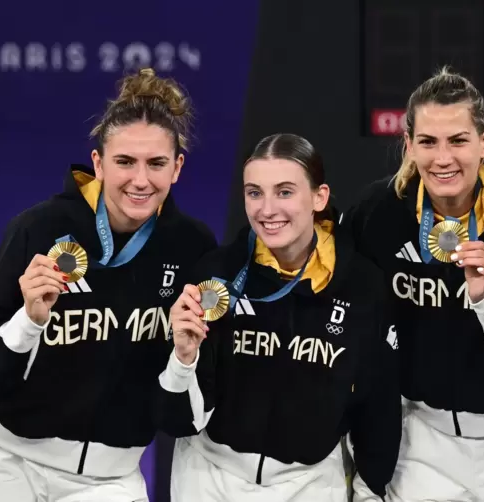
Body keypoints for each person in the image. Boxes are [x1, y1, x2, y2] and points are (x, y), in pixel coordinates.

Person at [0, 68, 217, 501]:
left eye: (156, 163)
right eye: (124, 162)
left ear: (177, 167)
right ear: (99, 162)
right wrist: (27, 321)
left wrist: (184, 356)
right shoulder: (39, 228)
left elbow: (184, 416)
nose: (140, 180)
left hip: (109, 479)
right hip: (2, 462)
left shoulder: (192, 246)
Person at [343, 67, 484, 501]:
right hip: (421, 442)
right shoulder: (377, 214)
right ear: (408, 145)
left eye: (458, 140)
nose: (443, 159)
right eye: (427, 142)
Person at [156, 133, 401, 502]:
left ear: (319, 197)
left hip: (310, 485)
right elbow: (177, 420)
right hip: (209, 480)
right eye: (254, 193)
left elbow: (377, 406)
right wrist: (183, 358)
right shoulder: (217, 273)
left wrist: (370, 491)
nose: (267, 209)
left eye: (284, 192)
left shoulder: (362, 286)